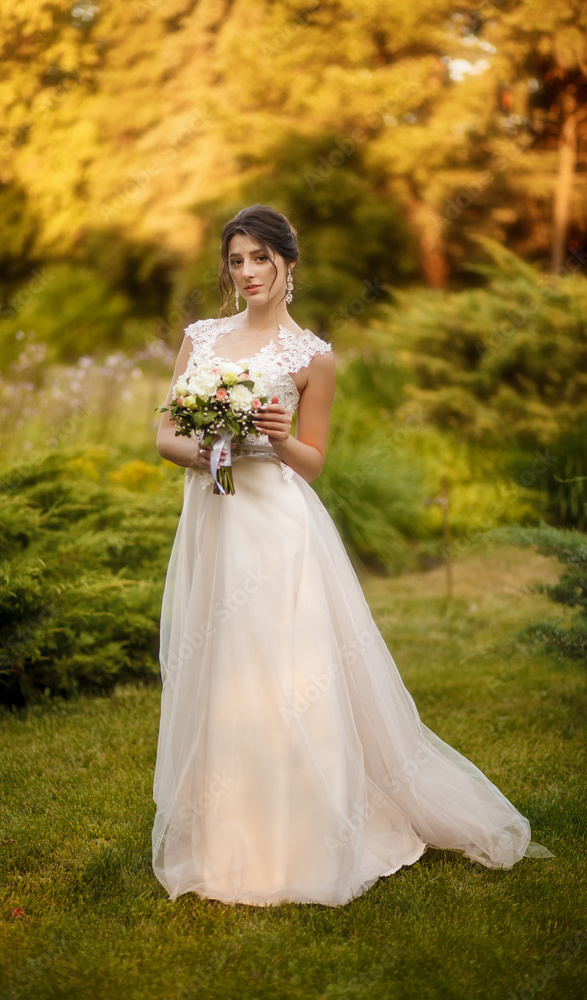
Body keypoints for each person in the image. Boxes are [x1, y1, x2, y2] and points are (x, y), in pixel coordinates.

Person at [151, 203, 550, 908]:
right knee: (224, 667)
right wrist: (214, 447)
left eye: (259, 259)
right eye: (236, 260)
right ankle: (229, 830)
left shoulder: (312, 357)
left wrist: (272, 437)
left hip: (276, 524)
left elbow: (311, 463)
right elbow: (162, 436)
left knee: (286, 663)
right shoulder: (201, 340)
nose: (246, 273)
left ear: (287, 263)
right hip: (213, 520)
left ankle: (309, 828)